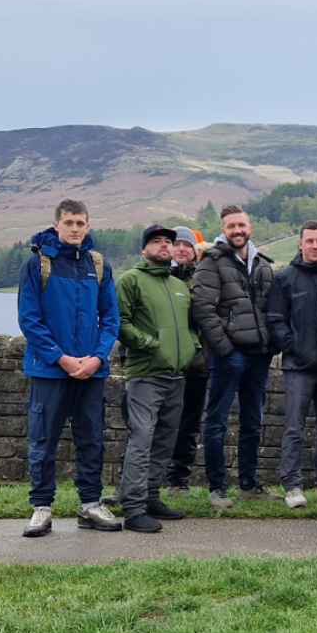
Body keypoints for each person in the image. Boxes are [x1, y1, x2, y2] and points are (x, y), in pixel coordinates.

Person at [17, 199, 122, 537]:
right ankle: (42, 508)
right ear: (57, 225)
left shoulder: (98, 265)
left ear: (88, 226)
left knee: (91, 438)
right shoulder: (37, 265)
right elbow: (29, 320)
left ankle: (90, 505)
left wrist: (97, 357)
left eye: (81, 223)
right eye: (69, 223)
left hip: (92, 370)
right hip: (49, 370)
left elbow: (111, 319)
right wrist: (60, 357)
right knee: (43, 440)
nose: (75, 229)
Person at [114, 225, 200, 532]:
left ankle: (151, 497)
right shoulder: (130, 280)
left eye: (168, 241)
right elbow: (119, 323)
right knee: (141, 439)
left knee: (165, 440)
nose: (164, 246)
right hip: (145, 376)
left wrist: (192, 348)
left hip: (177, 375)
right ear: (144, 249)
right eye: (156, 241)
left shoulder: (178, 287)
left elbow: (191, 327)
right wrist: (151, 345)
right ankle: (133, 507)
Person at [192, 205, 277, 508]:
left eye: (241, 225)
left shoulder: (264, 265)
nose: (237, 231)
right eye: (231, 226)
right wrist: (225, 348)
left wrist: (271, 346)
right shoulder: (210, 263)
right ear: (223, 230)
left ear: (250, 228)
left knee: (253, 422)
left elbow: (272, 311)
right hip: (229, 355)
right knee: (216, 422)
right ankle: (217, 488)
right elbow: (203, 308)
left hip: (259, 356)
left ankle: (249, 485)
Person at [267, 220, 317, 508]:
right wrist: (297, 349)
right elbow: (275, 321)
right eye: (309, 241)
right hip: (298, 367)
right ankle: (293, 486)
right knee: (294, 427)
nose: (315, 245)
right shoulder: (284, 278)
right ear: (300, 243)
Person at [163, 226, 208, 497]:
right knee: (148, 425)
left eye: (187, 245)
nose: (181, 249)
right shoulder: (154, 277)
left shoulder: (204, 279)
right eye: (176, 244)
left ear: (195, 250)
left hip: (197, 365)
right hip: (161, 365)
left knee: (189, 426)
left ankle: (178, 481)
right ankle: (134, 481)